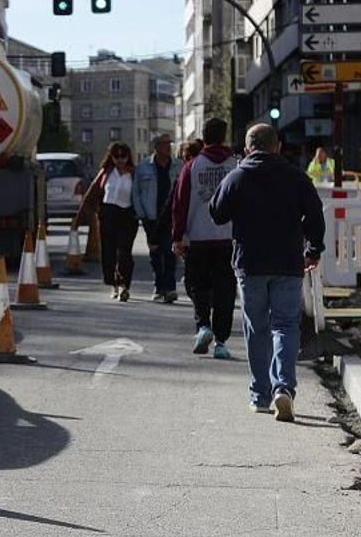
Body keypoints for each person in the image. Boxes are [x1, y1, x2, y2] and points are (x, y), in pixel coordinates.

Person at [209, 123, 326, 421]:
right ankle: (283, 388)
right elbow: (314, 214)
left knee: (256, 328)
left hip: (250, 265)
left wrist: (236, 178)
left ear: (248, 149)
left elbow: (217, 212)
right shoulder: (296, 177)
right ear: (277, 146)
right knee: (286, 326)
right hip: (288, 263)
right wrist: (313, 250)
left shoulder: (237, 177)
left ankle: (260, 395)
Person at [170, 117, 240, 359]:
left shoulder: (192, 166)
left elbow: (179, 204)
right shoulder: (236, 165)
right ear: (224, 136)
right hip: (229, 238)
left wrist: (178, 235)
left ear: (204, 136)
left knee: (197, 285)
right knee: (225, 290)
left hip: (198, 238)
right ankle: (221, 342)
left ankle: (203, 326)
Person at [75, 141, 139, 300]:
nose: (120, 160)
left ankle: (124, 285)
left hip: (128, 215)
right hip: (108, 214)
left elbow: (142, 195)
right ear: (111, 157)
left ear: (128, 157)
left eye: (123, 156)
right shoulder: (106, 173)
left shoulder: (134, 173)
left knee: (124, 251)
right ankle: (114, 285)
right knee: (109, 251)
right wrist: (82, 216)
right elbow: (92, 193)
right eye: (116, 156)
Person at [132, 133, 179, 303]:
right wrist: (141, 214)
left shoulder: (177, 165)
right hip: (151, 217)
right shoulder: (144, 167)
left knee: (170, 252)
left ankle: (170, 287)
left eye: (169, 143)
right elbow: (136, 192)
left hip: (171, 217)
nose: (168, 147)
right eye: (164, 144)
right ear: (156, 146)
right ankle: (159, 286)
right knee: (155, 254)